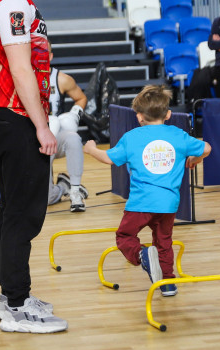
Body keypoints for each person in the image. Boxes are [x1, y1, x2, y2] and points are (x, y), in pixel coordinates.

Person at [0, 0, 68, 334]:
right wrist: (42, 126)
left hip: (9, 118)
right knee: (24, 216)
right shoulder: (13, 2)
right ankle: (16, 306)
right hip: (15, 119)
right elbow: (20, 69)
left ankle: (9, 297)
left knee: (13, 213)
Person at [83, 85, 210, 297]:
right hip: (169, 204)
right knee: (163, 243)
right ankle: (168, 284)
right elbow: (206, 148)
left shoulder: (132, 137)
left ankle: (141, 256)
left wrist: (91, 149)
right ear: (168, 114)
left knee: (125, 236)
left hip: (140, 203)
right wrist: (193, 160)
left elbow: (108, 159)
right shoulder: (177, 135)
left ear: (139, 117)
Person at [46, 51, 89, 212]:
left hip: (55, 134)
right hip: (33, 137)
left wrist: (74, 114)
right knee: (47, 199)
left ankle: (75, 191)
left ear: (50, 55)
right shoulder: (23, 76)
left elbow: (81, 98)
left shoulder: (61, 79)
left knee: (73, 138)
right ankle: (64, 185)